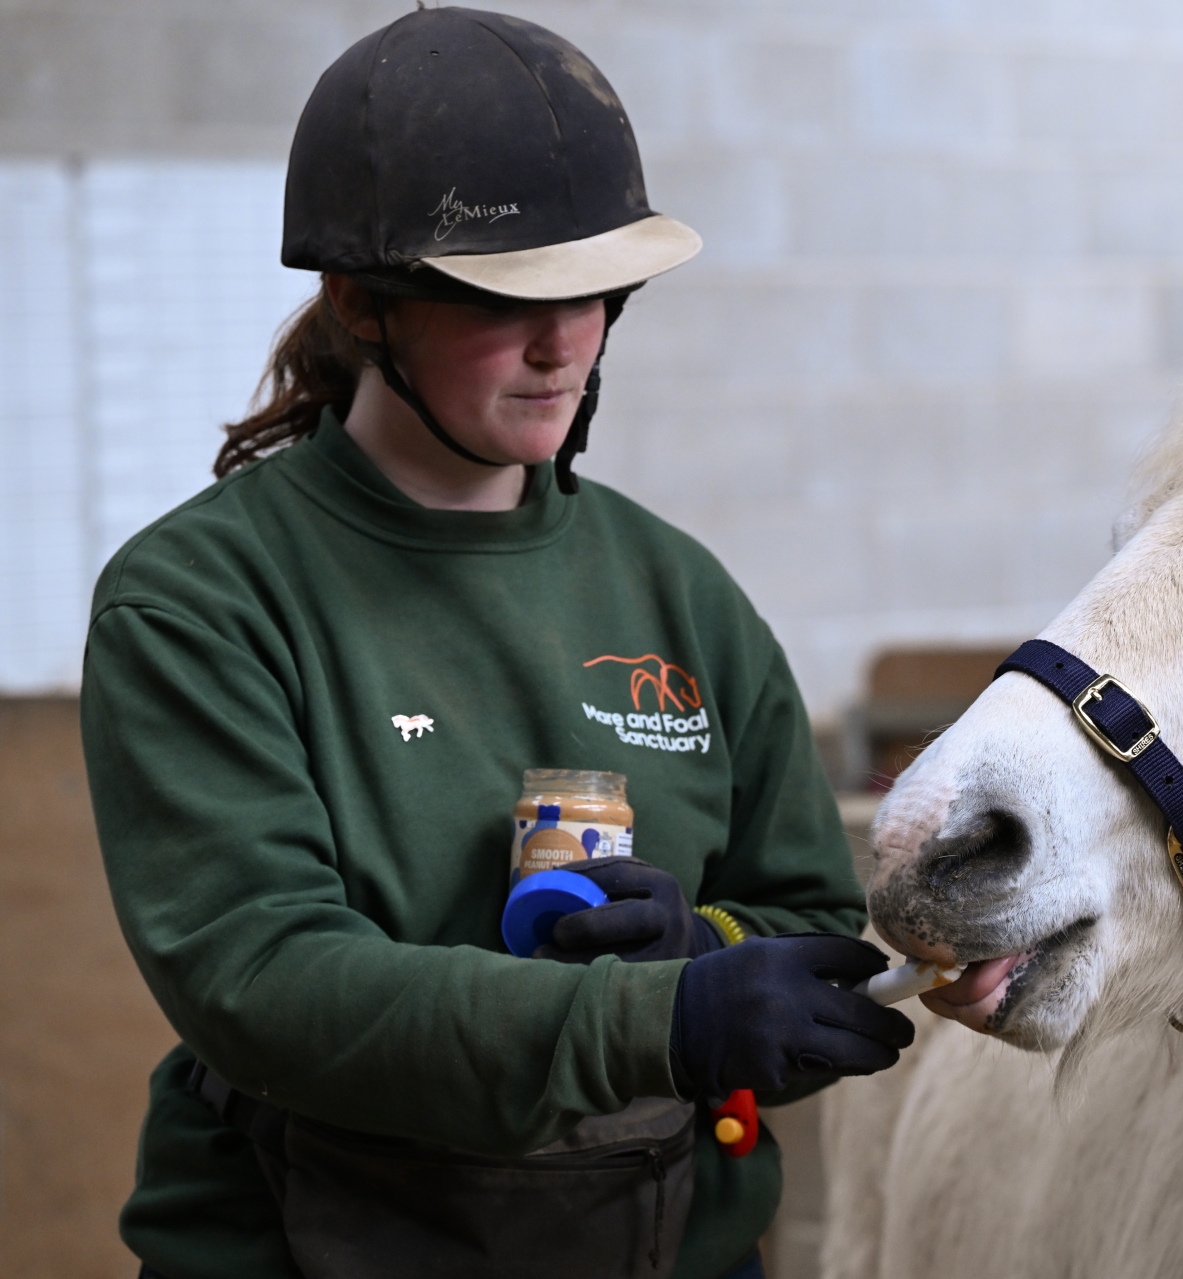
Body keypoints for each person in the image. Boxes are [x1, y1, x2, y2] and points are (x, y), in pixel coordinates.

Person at [79, 9, 913, 1278]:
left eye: (594, 291)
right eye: (508, 298)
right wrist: (656, 1020)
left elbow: (802, 914)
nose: (563, 340)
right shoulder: (202, 599)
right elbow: (268, 981)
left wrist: (707, 950)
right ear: (360, 302)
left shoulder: (681, 596)